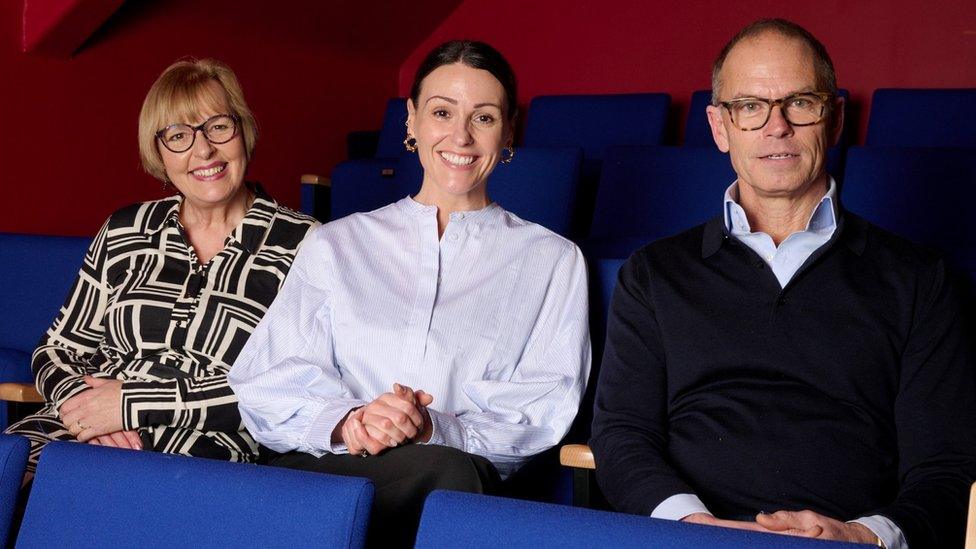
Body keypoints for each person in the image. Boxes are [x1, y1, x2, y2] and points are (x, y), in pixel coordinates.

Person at [590, 18, 976, 549]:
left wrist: (865, 536)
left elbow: (945, 468)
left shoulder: (918, 279)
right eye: (749, 106)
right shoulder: (654, 274)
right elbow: (622, 435)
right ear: (719, 126)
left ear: (834, 119)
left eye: (801, 103)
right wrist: (696, 530)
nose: (777, 127)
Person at [228, 40, 590, 547]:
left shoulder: (553, 260)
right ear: (412, 121)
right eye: (442, 112)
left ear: (508, 132)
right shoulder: (335, 243)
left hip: (454, 484)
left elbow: (541, 414)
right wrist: (351, 422)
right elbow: (265, 383)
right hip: (331, 472)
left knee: (452, 477)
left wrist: (429, 429)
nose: (460, 136)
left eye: (484, 118)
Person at [5, 58, 317, 477]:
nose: (202, 150)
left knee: (89, 499)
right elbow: (57, 349)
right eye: (178, 136)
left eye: (218, 126)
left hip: (202, 450)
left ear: (243, 130)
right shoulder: (125, 229)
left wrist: (129, 405)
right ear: (159, 152)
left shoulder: (306, 243)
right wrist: (87, 410)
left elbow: (294, 387)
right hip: (78, 431)